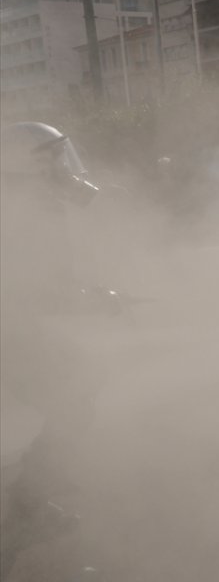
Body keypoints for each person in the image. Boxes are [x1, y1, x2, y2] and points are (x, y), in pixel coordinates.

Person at [0, 123, 112, 578]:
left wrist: (94, 293)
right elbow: (32, 288)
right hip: (10, 330)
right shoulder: (27, 209)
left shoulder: (29, 203)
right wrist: (97, 300)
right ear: (28, 165)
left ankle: (36, 488)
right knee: (75, 392)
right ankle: (27, 510)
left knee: (79, 383)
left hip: (15, 327)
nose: (65, 168)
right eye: (52, 158)